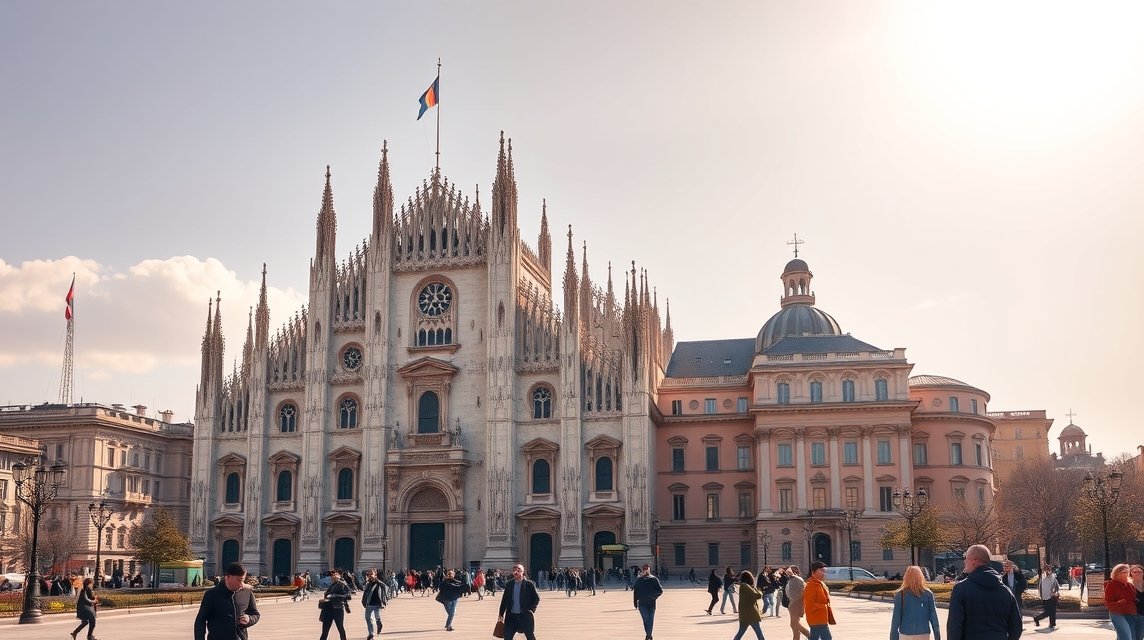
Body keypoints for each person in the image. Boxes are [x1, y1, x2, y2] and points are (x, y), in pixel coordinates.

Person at [947, 544, 1021, 640]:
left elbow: (954, 627)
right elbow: (1016, 626)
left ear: (973, 560)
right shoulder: (1005, 591)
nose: (964, 562)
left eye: (966, 558)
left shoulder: (960, 589)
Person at [194, 562, 260, 640]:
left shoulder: (246, 592)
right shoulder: (212, 594)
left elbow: (255, 614)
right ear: (227, 577)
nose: (241, 584)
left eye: (243, 580)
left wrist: (249, 619)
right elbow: (200, 620)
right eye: (238, 580)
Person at [890, 566, 940, 640]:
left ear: (906, 577)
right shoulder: (928, 594)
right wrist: (937, 636)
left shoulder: (901, 595)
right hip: (923, 634)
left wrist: (893, 637)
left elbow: (896, 618)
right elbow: (933, 617)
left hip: (906, 633)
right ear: (921, 577)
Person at [498, 563, 541, 640]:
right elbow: (504, 600)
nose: (516, 572)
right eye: (514, 570)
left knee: (530, 636)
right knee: (507, 637)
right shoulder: (509, 585)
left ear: (522, 572)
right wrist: (501, 614)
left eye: (518, 570)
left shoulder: (529, 584)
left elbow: (536, 598)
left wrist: (531, 608)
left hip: (524, 616)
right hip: (511, 617)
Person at [804, 561, 835, 640]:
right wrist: (823, 607)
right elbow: (809, 604)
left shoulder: (820, 584)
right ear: (813, 572)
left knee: (814, 637)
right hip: (816, 618)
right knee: (827, 638)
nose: (824, 573)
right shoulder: (811, 586)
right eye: (821, 571)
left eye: (824, 571)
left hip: (820, 618)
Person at [1105, 563, 1137, 640]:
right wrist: (1119, 603)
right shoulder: (1111, 585)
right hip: (1117, 613)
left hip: (1130, 612)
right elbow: (1108, 602)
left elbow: (1133, 598)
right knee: (1126, 636)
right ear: (1117, 573)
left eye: (1127, 572)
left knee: (1129, 636)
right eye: (1124, 572)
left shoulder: (1130, 585)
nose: (1126, 574)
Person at [632, 564, 664, 640]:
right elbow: (635, 591)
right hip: (642, 604)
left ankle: (648, 635)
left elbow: (660, 591)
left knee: (651, 620)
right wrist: (635, 602)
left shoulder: (654, 579)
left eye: (647, 568)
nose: (646, 570)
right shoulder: (639, 580)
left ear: (649, 569)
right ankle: (649, 635)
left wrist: (654, 596)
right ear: (642, 570)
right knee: (646, 620)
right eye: (644, 569)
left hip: (651, 604)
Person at [732, 570, 765, 640]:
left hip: (744, 614)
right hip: (751, 613)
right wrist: (756, 589)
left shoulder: (745, 586)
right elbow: (757, 595)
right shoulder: (745, 586)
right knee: (759, 634)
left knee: (740, 633)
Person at [319, 571, 352, 640]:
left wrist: (335, 596)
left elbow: (348, 596)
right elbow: (327, 595)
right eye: (332, 575)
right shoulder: (331, 585)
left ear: (339, 577)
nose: (333, 576)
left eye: (335, 575)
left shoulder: (342, 585)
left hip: (337, 609)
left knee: (340, 628)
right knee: (325, 630)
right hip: (328, 609)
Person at [785, 565, 811, 640]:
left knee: (794, 624)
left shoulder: (798, 579)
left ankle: (797, 638)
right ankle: (808, 635)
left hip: (797, 603)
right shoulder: (792, 580)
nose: (788, 572)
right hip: (793, 603)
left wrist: (790, 573)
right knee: (794, 623)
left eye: (791, 570)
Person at [361, 569, 387, 640]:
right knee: (368, 618)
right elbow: (363, 589)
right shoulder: (368, 583)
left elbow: (385, 586)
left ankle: (379, 623)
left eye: (371, 574)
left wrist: (377, 580)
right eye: (369, 574)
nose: (370, 576)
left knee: (377, 617)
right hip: (369, 604)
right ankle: (371, 634)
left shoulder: (378, 583)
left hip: (377, 604)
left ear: (375, 575)